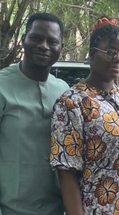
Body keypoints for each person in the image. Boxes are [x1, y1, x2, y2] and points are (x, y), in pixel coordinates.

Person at [50, 16, 119, 214]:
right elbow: (67, 173)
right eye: (111, 52)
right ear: (93, 54)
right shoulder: (72, 102)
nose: (118, 59)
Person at [0, 12, 69, 215]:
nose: (43, 46)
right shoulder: (2, 85)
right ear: (23, 40)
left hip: (56, 209)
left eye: (52, 41)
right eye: (36, 38)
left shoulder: (64, 91)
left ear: (60, 48)